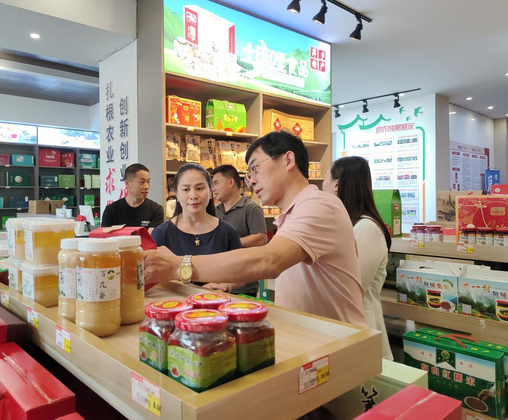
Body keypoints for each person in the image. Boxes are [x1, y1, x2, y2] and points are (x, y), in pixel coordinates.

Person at [145, 131, 366, 327]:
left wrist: (179, 265)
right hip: (314, 337)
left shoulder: (319, 204)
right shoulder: (290, 215)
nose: (251, 181)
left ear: (288, 160)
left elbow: (269, 261)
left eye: (254, 168)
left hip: (339, 340)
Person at [323, 156, 394, 360]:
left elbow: (352, 286)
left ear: (337, 185)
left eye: (325, 177)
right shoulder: (346, 224)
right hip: (343, 329)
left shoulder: (367, 228)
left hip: (361, 329)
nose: (322, 184)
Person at [151, 163, 241, 287]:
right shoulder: (161, 233)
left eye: (199, 188)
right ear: (177, 194)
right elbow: (153, 276)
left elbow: (240, 272)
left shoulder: (227, 232)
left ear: (210, 191)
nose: (193, 196)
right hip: (175, 299)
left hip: (215, 298)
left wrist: (225, 286)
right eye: (186, 189)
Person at [210, 164, 267, 296]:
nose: (213, 189)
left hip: (244, 286)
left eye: (216, 183)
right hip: (218, 284)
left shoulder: (251, 209)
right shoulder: (215, 211)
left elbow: (261, 239)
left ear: (231, 182)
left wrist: (231, 242)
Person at [101, 163, 164, 232]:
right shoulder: (111, 210)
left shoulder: (156, 210)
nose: (146, 186)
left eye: (148, 182)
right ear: (127, 183)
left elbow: (151, 237)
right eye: (142, 182)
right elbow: (104, 236)